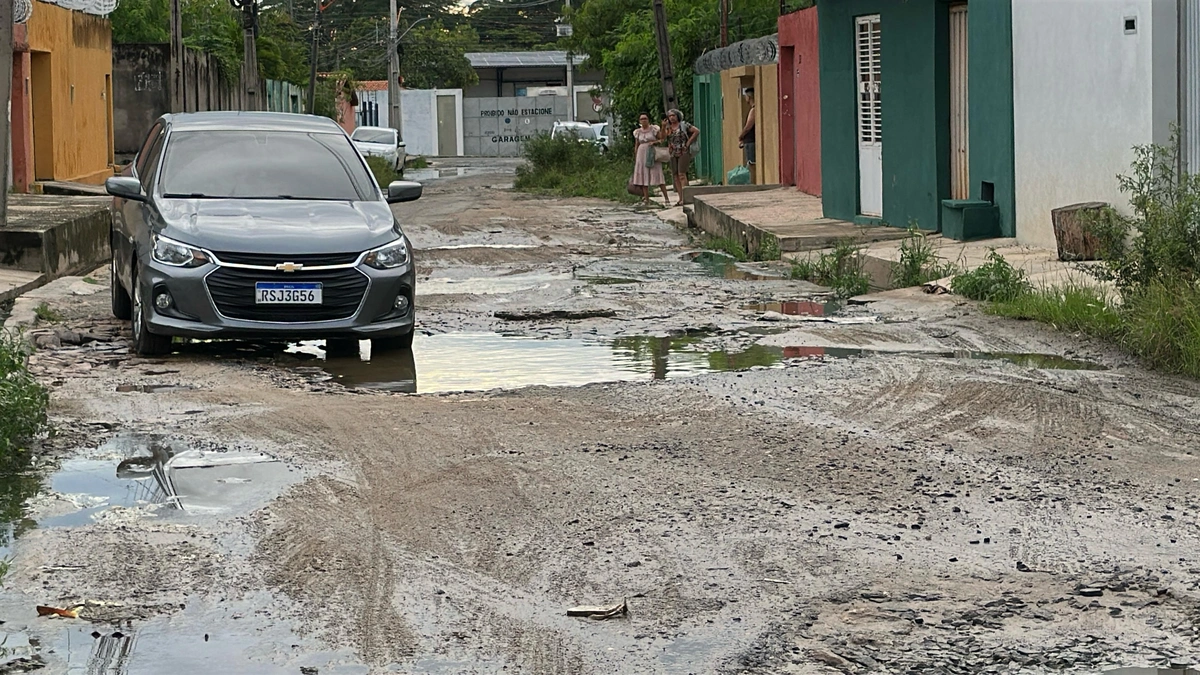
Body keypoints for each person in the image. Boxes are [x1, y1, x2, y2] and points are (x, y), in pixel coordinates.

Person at [662, 108, 700, 207]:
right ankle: (680, 198)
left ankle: (686, 197)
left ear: (677, 116)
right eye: (670, 116)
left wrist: (688, 143)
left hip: (683, 151)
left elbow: (696, 131)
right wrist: (663, 127)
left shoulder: (684, 125)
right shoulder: (668, 127)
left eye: (673, 116)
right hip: (673, 152)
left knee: (682, 174)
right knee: (675, 176)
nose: (672, 118)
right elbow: (662, 137)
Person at [631, 113, 670, 205]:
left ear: (648, 119)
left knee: (657, 173)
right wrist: (636, 156)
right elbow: (636, 144)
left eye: (645, 118)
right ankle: (646, 198)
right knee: (643, 175)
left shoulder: (653, 129)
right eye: (642, 119)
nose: (644, 120)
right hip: (642, 153)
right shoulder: (637, 132)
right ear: (639, 121)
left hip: (652, 153)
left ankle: (666, 198)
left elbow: (662, 137)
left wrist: (663, 128)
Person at [738, 87, 756, 184]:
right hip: (748, 140)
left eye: (745, 96)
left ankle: (753, 183)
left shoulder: (753, 110)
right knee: (750, 163)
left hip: (750, 140)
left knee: (752, 164)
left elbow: (748, 126)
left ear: (749, 97)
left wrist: (741, 135)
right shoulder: (752, 109)